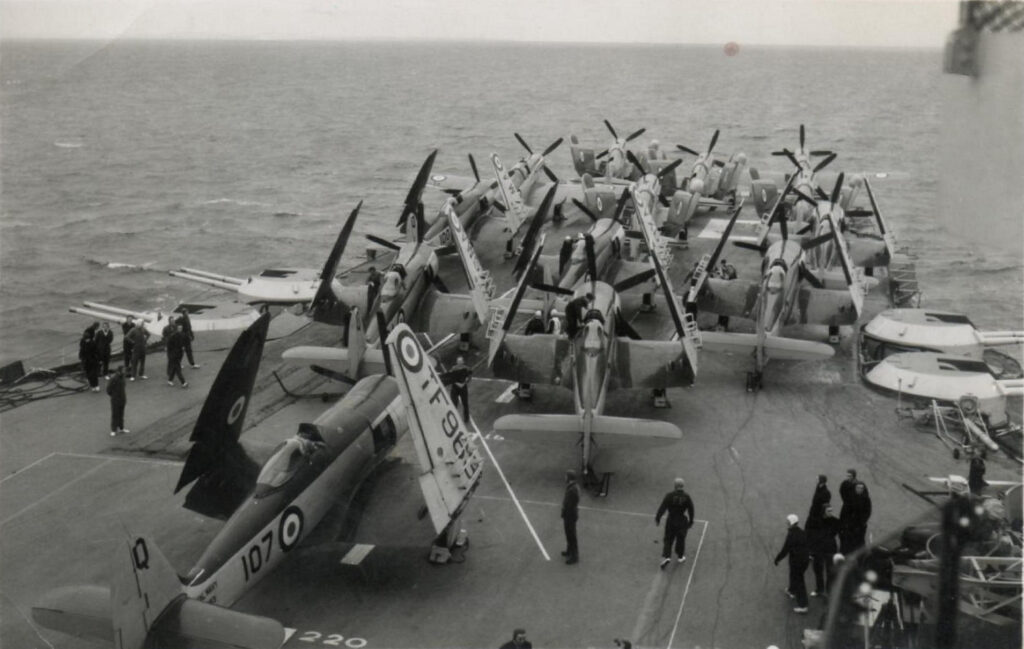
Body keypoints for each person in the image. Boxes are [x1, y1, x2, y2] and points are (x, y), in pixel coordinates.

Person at [655, 477, 695, 568]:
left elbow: (662, 507)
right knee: (681, 538)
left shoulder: (669, 495)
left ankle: (666, 556)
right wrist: (691, 521)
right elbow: (691, 510)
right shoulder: (686, 497)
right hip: (682, 520)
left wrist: (658, 518)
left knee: (668, 539)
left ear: (675, 486)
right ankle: (680, 556)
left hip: (671, 519)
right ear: (683, 486)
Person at [774, 514, 810, 613]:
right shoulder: (801, 532)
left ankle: (803, 605)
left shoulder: (791, 535)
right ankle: (791, 590)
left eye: (788, 522)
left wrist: (777, 559)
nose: (787, 524)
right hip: (804, 561)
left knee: (799, 581)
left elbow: (785, 549)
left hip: (797, 561)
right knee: (794, 575)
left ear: (791, 523)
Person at [806, 504, 840, 597]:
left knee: (830, 571)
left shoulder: (835, 521)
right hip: (819, 549)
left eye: (831, 511)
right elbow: (811, 533)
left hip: (830, 549)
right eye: (829, 511)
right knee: (818, 570)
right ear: (824, 511)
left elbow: (837, 531)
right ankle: (819, 589)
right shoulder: (817, 521)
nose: (831, 513)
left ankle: (829, 591)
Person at [516, 311, 546, 397]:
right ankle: (527, 388)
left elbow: (526, 331)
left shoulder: (531, 322)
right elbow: (543, 335)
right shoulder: (541, 324)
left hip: (529, 344)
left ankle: (522, 388)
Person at [841, 482, 872, 553]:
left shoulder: (866, 499)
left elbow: (867, 512)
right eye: (858, 487)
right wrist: (845, 522)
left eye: (861, 488)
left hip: (859, 526)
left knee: (859, 543)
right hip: (849, 525)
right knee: (847, 542)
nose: (859, 489)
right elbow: (844, 511)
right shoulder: (850, 498)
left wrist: (862, 522)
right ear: (855, 488)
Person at [561, 470, 580, 564]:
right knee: (568, 534)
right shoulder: (572, 487)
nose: (565, 478)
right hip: (569, 514)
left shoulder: (573, 489)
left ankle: (574, 556)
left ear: (569, 478)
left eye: (566, 476)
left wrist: (566, 510)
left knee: (572, 535)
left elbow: (571, 503)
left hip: (570, 515)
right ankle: (569, 551)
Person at [446, 356, 471, 422]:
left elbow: (469, 378)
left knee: (465, 403)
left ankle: (466, 419)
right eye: (458, 361)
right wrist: (458, 384)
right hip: (455, 388)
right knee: (454, 403)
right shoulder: (453, 369)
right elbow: (450, 377)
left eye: (460, 361)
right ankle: (454, 419)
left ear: (463, 362)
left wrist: (463, 383)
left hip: (463, 388)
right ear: (457, 362)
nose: (459, 362)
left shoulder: (467, 368)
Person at [106, 365, 128, 436]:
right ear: (120, 371)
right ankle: (113, 430)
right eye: (124, 370)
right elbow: (108, 390)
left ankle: (121, 428)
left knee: (121, 414)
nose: (125, 372)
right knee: (115, 415)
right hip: (115, 400)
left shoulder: (123, 377)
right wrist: (114, 396)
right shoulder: (114, 378)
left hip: (122, 399)